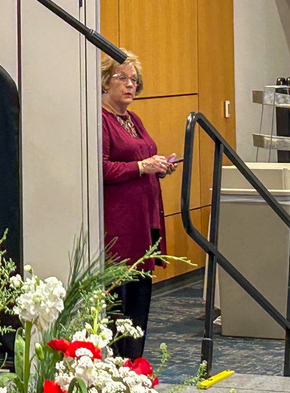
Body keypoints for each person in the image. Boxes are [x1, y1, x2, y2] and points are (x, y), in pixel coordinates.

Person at [101, 50, 178, 360]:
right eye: (123, 78)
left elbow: (144, 156)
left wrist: (160, 166)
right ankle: (120, 364)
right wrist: (141, 167)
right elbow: (102, 169)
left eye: (134, 80)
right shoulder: (101, 120)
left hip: (143, 220)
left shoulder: (133, 119)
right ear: (105, 81)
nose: (130, 85)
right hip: (119, 227)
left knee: (141, 297)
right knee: (120, 301)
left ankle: (135, 365)